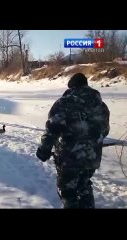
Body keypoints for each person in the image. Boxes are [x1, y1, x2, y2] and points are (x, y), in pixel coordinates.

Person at [36, 73, 110, 208]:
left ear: (72, 87)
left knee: (68, 192)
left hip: (70, 158)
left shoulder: (64, 103)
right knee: (84, 185)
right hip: (92, 157)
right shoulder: (101, 105)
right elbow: (105, 130)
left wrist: (44, 150)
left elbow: (53, 127)